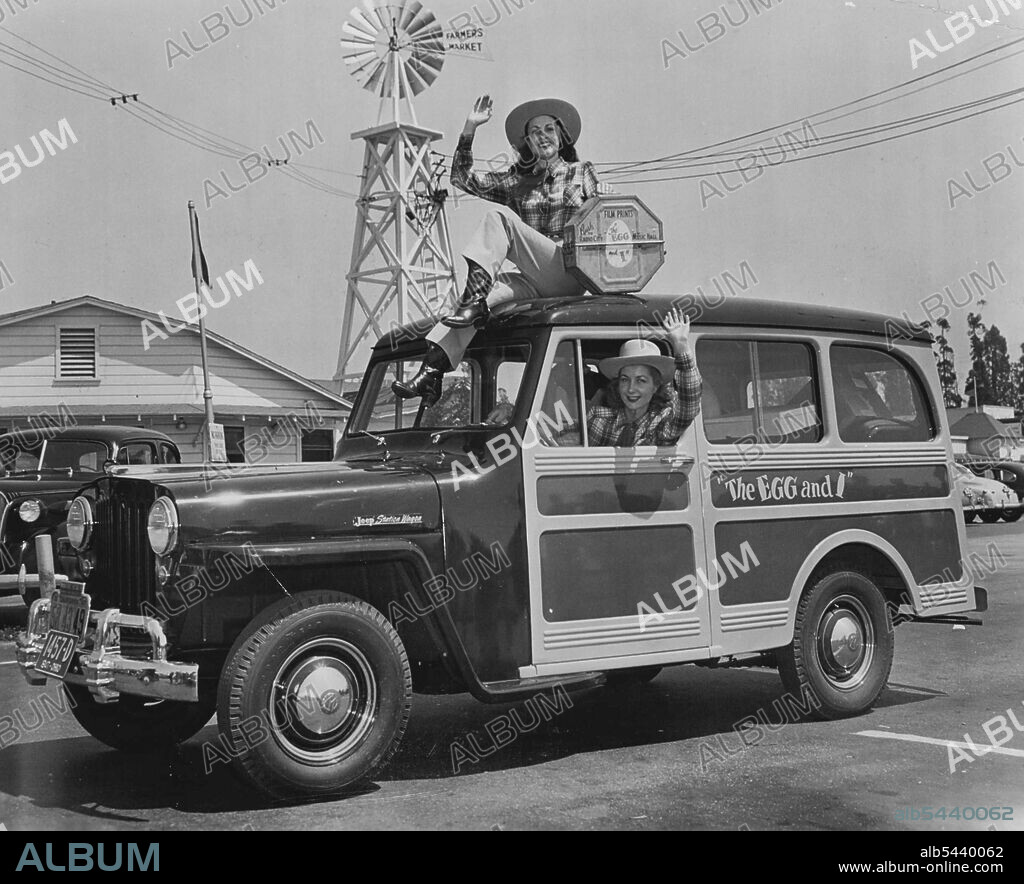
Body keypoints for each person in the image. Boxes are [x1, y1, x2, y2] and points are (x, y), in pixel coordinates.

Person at [393, 94, 610, 404]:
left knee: (498, 221)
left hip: (568, 271)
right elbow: (462, 178)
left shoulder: (581, 172)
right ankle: (432, 372)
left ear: (562, 136)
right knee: (465, 308)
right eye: (534, 133)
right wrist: (470, 128)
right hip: (532, 279)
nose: (542, 136)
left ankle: (474, 301)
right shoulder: (519, 181)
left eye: (548, 129)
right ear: (528, 144)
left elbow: (606, 216)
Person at [587, 308, 702, 446]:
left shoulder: (661, 424)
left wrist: (681, 344)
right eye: (624, 379)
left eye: (641, 381)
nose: (631, 389)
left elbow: (689, 406)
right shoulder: (599, 418)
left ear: (655, 386)